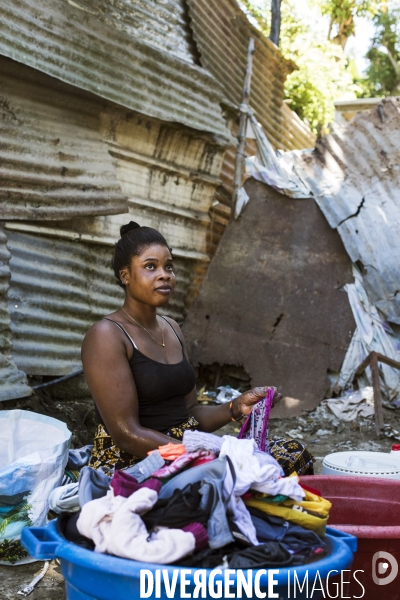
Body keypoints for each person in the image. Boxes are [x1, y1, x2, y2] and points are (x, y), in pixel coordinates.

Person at [82, 222, 314, 476]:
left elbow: (190, 415)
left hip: (186, 449)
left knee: (293, 455)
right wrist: (200, 455)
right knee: (237, 477)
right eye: (151, 266)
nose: (164, 274)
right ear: (125, 275)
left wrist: (236, 407)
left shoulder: (171, 328)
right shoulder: (107, 335)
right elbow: (127, 435)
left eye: (168, 266)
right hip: (134, 461)